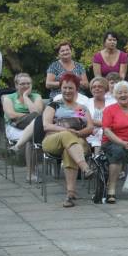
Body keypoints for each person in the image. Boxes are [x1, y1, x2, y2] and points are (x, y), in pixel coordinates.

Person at [41, 73, 96, 207]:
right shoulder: (54, 105)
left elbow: (90, 128)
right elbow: (46, 125)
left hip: (76, 142)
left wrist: (79, 132)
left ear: (76, 89)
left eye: (70, 88)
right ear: (60, 88)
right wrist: (66, 130)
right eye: (64, 88)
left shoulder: (80, 109)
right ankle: (85, 167)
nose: (67, 91)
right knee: (67, 135)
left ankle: (70, 194)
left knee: (69, 149)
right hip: (53, 140)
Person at [2, 73, 44, 182]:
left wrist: (25, 96)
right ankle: (31, 173)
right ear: (16, 85)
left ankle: (30, 174)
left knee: (31, 136)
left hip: (31, 127)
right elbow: (11, 115)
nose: (26, 86)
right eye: (22, 84)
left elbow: (37, 113)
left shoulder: (36, 96)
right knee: (36, 121)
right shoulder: (8, 98)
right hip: (14, 127)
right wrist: (28, 116)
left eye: (28, 83)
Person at [86, 76, 115, 153]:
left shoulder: (113, 102)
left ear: (105, 89)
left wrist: (94, 122)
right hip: (90, 133)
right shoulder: (86, 102)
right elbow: (79, 117)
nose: (97, 88)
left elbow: (115, 121)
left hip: (109, 134)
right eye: (94, 87)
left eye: (100, 86)